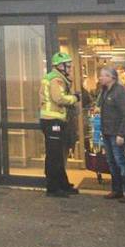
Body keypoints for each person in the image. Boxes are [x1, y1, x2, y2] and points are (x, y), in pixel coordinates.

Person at [40, 51, 80, 197]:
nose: (69, 67)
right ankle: (53, 187)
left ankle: (63, 184)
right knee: (54, 156)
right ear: (59, 66)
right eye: (67, 65)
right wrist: (74, 98)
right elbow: (58, 98)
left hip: (56, 121)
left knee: (58, 155)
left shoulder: (59, 78)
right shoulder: (56, 79)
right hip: (52, 122)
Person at [95, 65, 125, 203]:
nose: (100, 78)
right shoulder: (105, 91)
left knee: (121, 162)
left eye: (103, 75)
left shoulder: (119, 92)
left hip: (116, 133)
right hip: (107, 132)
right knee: (112, 162)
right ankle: (117, 189)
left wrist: (122, 134)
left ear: (111, 77)